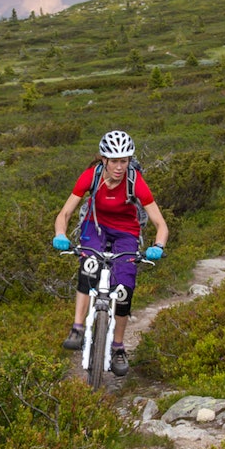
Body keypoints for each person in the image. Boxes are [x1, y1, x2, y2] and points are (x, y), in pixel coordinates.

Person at [52, 130, 169, 377]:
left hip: (126, 233)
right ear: (104, 160)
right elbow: (64, 214)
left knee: (125, 288)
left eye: (124, 160)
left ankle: (117, 347)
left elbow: (161, 224)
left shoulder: (135, 181)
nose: (119, 166)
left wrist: (157, 246)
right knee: (88, 266)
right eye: (114, 161)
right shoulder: (90, 176)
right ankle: (77, 327)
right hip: (95, 226)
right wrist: (61, 235)